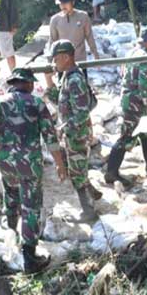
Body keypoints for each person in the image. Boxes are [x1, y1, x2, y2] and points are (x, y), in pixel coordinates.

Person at [0, 68, 62, 273]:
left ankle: (10, 240)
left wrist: (5, 149)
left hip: (6, 163)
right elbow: (50, 136)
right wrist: (60, 163)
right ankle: (29, 257)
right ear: (28, 83)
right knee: (30, 206)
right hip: (29, 163)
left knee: (11, 199)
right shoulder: (36, 103)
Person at [44, 40, 102, 222]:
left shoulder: (75, 79)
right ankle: (92, 192)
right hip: (72, 134)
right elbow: (61, 104)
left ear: (67, 57)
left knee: (76, 173)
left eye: (56, 59)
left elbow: (82, 113)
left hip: (77, 135)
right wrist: (49, 81)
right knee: (75, 168)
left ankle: (88, 212)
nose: (54, 63)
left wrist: (63, 128)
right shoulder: (67, 77)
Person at [105, 28, 147, 187]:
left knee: (144, 132)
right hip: (134, 103)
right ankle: (111, 172)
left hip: (130, 99)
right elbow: (144, 85)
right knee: (126, 136)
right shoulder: (145, 58)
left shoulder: (131, 52)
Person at [48, 0, 99, 67]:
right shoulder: (55, 20)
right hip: (62, 62)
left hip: (80, 61)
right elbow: (52, 41)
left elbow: (89, 37)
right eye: (61, 4)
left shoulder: (83, 17)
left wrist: (96, 55)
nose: (63, 6)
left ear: (73, 2)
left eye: (66, 3)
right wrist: (50, 61)